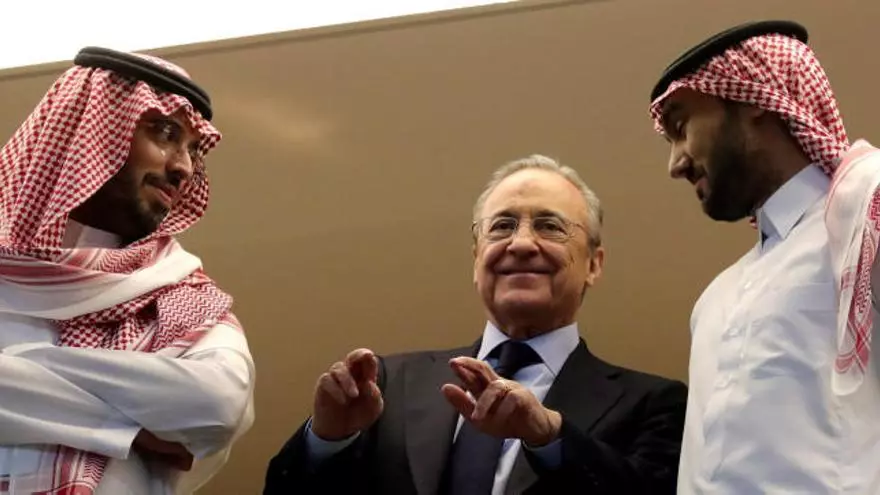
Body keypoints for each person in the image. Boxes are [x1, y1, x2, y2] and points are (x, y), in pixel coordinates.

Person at [263, 155, 687, 494]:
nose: (521, 243)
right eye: (502, 226)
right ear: (476, 258)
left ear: (594, 264)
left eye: (549, 226)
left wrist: (551, 439)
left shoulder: (654, 404)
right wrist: (327, 440)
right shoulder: (388, 385)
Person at [0, 46, 255, 494]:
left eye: (193, 150)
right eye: (165, 133)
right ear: (89, 129)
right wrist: (129, 431)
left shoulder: (180, 293)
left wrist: (17, 368)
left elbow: (217, 403)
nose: (183, 167)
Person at [647, 19, 880, 493]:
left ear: (754, 97)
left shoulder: (866, 220)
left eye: (681, 128)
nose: (675, 163)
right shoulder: (714, 300)